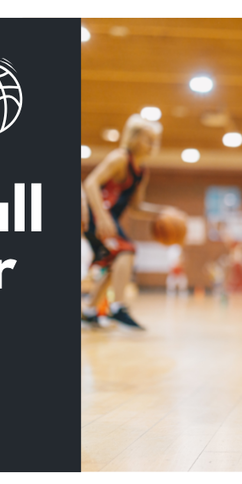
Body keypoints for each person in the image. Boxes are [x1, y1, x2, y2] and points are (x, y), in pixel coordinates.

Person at [81, 114, 184, 330]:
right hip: (92, 214)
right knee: (126, 250)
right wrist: (102, 216)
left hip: (105, 218)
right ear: (134, 138)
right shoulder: (119, 157)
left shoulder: (141, 171)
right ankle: (118, 307)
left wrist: (163, 211)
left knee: (113, 263)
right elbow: (90, 184)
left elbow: (137, 208)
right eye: (148, 139)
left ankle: (89, 310)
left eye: (154, 140)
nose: (152, 145)